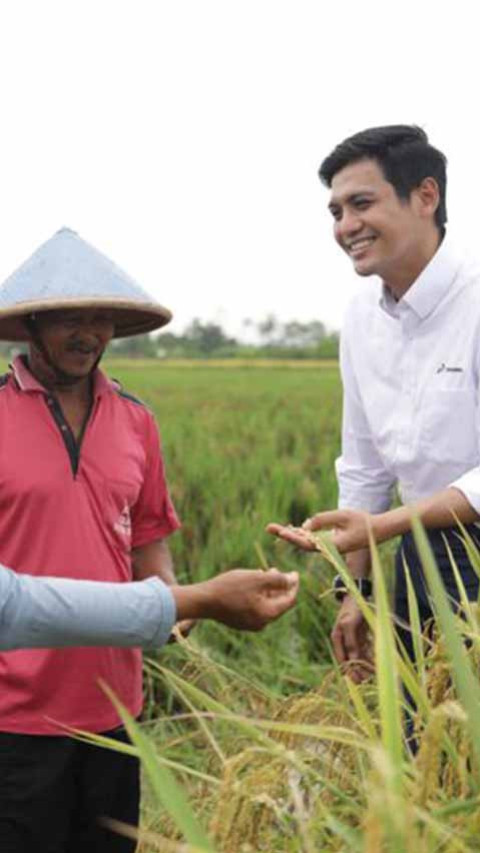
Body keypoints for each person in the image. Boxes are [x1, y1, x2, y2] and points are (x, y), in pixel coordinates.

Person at [0, 226, 298, 852]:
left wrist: (173, 602)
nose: (90, 333)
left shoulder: (137, 420)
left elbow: (148, 538)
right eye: (71, 318)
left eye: (102, 318)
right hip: (14, 713)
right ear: (30, 325)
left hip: (115, 704)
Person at [268, 125, 480, 685]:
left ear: (426, 197)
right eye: (336, 211)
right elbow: (364, 468)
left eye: (362, 203)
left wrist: (383, 525)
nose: (346, 227)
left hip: (453, 539)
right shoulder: (362, 318)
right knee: (423, 741)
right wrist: (354, 591)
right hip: (424, 557)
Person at [0, 561, 299, 651]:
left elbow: (145, 527)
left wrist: (180, 601)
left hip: (116, 700)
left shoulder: (135, 418)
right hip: (16, 707)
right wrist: (200, 599)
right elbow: (14, 604)